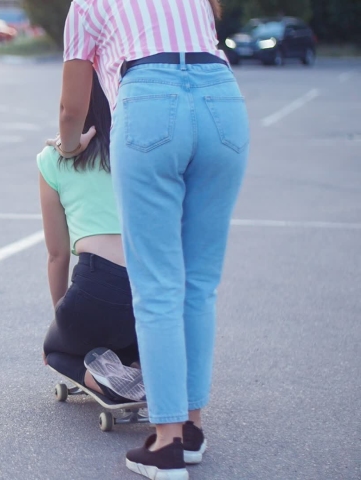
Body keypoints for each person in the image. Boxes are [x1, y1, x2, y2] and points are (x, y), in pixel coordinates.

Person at [52, 1, 250, 479]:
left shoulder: (89, 4)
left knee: (157, 287)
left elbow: (71, 107)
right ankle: (192, 430)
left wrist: (70, 144)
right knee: (198, 285)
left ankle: (165, 445)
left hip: (149, 104)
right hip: (223, 100)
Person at [39, 73, 145, 405]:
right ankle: (141, 368)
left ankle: (100, 380)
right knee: (130, 336)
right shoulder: (140, 149)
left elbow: (57, 255)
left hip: (96, 285)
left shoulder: (52, 160)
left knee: (55, 349)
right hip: (150, 284)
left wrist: (62, 314)